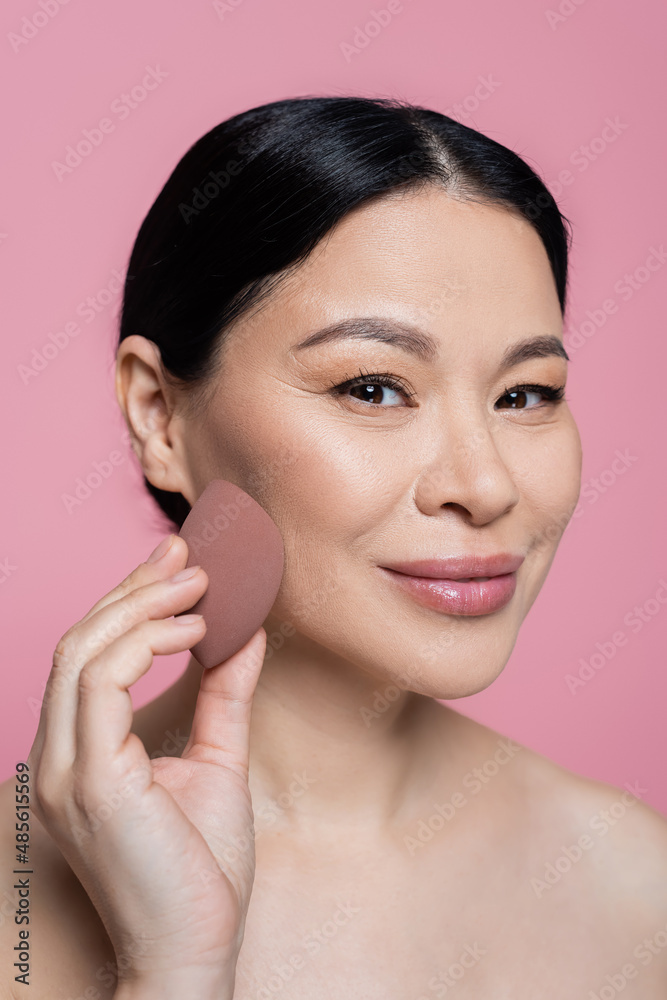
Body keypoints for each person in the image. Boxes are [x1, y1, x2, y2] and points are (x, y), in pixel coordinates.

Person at [2, 96, 666, 999]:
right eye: (374, 387)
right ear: (159, 413)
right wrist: (175, 970)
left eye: (523, 394)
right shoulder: (21, 906)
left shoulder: (637, 883)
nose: (484, 485)